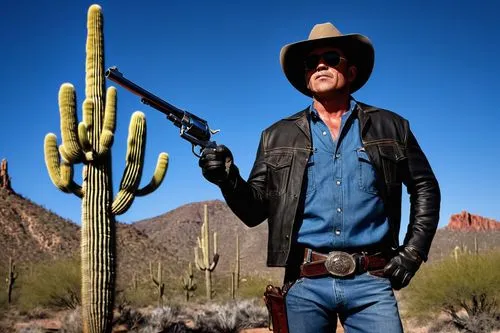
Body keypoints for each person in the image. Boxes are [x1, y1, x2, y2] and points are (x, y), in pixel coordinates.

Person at [199, 22, 440, 333]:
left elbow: (425, 187)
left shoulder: (392, 127)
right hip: (304, 284)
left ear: (351, 72)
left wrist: (413, 252)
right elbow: (254, 210)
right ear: (306, 77)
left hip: (371, 282)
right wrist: (226, 178)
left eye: (331, 57)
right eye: (312, 62)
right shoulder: (276, 135)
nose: (321, 65)